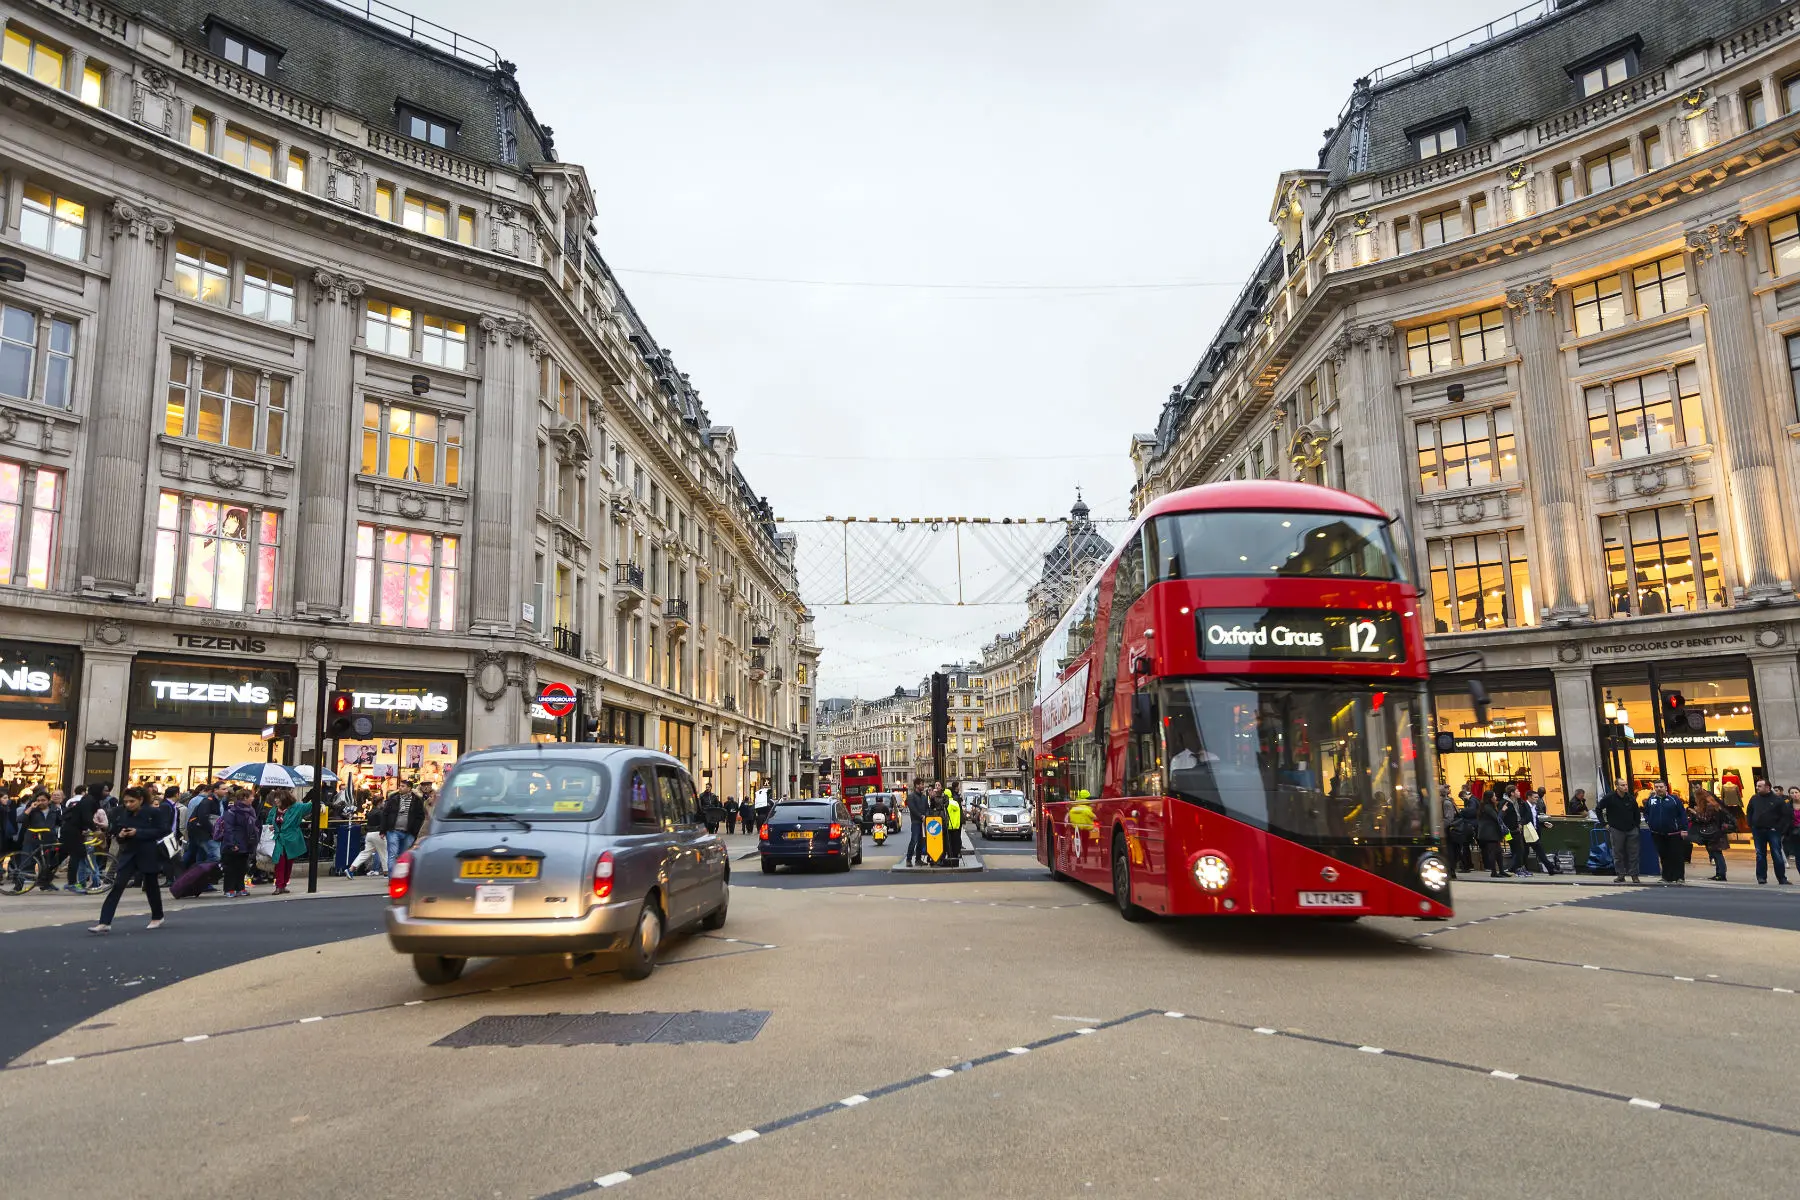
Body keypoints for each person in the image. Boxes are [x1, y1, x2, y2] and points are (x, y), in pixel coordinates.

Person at [88, 786, 170, 934]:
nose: (128, 804)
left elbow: (163, 830)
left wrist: (138, 832)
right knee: (118, 885)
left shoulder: (154, 812)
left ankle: (158, 916)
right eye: (125, 801)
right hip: (129, 853)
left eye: (132, 801)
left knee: (151, 886)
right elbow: (118, 833)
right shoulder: (123, 813)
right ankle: (104, 922)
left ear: (141, 800)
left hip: (148, 852)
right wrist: (121, 835)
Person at [1745, 778, 1792, 886]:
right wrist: (1751, 824)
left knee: (1777, 854)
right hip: (1758, 830)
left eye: (1759, 786)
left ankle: (1781, 878)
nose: (1757, 788)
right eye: (1757, 786)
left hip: (1773, 831)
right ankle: (1761, 877)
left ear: (1767, 787)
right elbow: (1749, 811)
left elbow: (1785, 816)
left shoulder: (1777, 800)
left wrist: (1779, 829)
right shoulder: (1754, 798)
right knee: (1760, 854)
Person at [216, 789, 261, 898]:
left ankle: (240, 887)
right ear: (244, 798)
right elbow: (228, 828)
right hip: (235, 842)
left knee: (242, 867)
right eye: (251, 796)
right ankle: (229, 889)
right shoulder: (232, 811)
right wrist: (232, 844)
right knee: (231, 867)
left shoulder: (250, 810)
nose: (253, 798)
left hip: (246, 842)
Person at [266, 788, 312, 895]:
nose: (276, 800)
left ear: (284, 799)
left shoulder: (297, 807)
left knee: (288, 863)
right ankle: (279, 885)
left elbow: (310, 806)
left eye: (278, 798)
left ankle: (284, 884)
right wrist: (270, 826)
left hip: (291, 839)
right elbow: (268, 821)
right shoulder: (274, 810)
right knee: (279, 863)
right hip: (279, 839)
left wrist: (320, 803)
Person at [1643, 780, 1688, 884]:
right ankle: (1666, 877)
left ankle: (1679, 877)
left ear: (1666, 788)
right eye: (1657, 787)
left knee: (1676, 855)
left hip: (1674, 833)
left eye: (1661, 787)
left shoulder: (1674, 799)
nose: (1659, 789)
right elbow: (1646, 813)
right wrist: (1649, 821)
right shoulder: (1651, 800)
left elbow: (1682, 814)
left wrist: (1684, 829)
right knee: (1664, 855)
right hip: (1657, 833)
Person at [1595, 784, 1642, 883]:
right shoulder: (1609, 797)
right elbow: (1598, 809)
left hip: (1631, 829)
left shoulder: (1630, 798)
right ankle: (1621, 875)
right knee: (1618, 853)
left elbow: (1636, 812)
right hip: (1616, 829)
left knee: (1633, 854)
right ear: (1617, 786)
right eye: (1622, 785)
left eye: (1626, 785)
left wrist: (1636, 826)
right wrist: (1604, 824)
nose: (1626, 787)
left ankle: (1634, 875)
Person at [1690, 789, 1732, 882]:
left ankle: (1721, 874)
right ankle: (1719, 873)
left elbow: (1706, 819)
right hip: (1716, 832)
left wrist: (1695, 813)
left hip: (1714, 833)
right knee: (1716, 854)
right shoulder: (1713, 804)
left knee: (1717, 854)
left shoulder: (1709, 806)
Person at [381, 783, 425, 869]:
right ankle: (391, 880)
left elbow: (420, 817)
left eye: (403, 786)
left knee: (403, 856)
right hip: (393, 831)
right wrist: (383, 830)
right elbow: (385, 814)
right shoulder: (393, 799)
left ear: (409, 788)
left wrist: (414, 831)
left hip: (409, 832)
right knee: (392, 855)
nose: (400, 788)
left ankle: (399, 878)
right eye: (400, 786)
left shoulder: (416, 800)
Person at [1475, 789, 1506, 877]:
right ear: (1490, 798)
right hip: (1489, 834)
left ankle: (1501, 870)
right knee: (1493, 852)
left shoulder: (1489, 806)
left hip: (1492, 833)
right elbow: (1497, 818)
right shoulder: (1487, 807)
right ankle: (1494, 872)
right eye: (1494, 796)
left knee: (1499, 852)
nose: (1496, 798)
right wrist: (1503, 810)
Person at [905, 779, 929, 867]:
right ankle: (908, 859)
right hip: (916, 822)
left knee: (921, 841)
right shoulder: (911, 797)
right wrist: (921, 816)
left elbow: (927, 808)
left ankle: (918, 859)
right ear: (916, 785)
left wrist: (925, 815)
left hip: (923, 822)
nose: (923, 786)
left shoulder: (924, 797)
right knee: (914, 840)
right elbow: (912, 809)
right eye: (922, 784)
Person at [945, 790, 963, 866]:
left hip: (949, 826)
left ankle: (951, 857)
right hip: (956, 826)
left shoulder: (948, 803)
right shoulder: (955, 802)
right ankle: (955, 857)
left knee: (949, 843)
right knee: (955, 843)